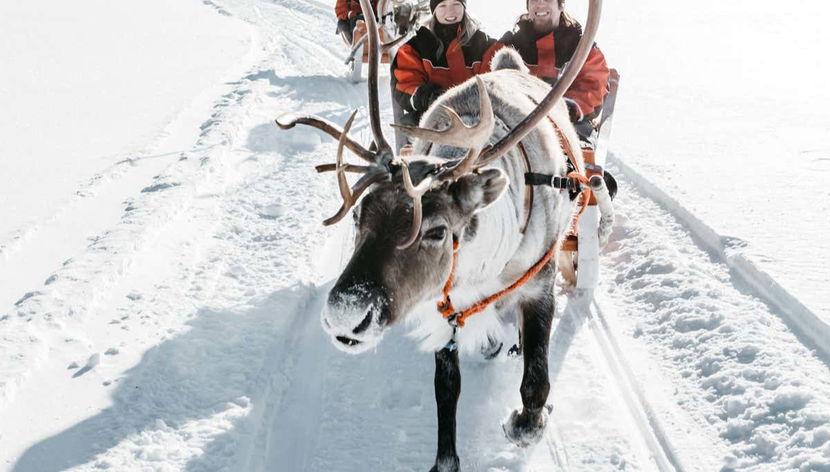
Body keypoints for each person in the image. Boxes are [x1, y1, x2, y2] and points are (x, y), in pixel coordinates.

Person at [499, 0, 610, 147]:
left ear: (561, 5)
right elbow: (494, 83)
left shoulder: (581, 47)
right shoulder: (511, 45)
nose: (540, 4)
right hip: (518, 125)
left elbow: (594, 87)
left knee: (576, 147)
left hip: (570, 125)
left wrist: (564, 109)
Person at [391, 0, 500, 126]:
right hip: (435, 122)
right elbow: (406, 84)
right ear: (434, 10)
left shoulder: (482, 44)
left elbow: (496, 80)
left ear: (464, 7)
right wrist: (426, 95)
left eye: (456, 4)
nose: (450, 11)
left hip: (478, 121)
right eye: (442, 5)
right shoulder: (416, 47)